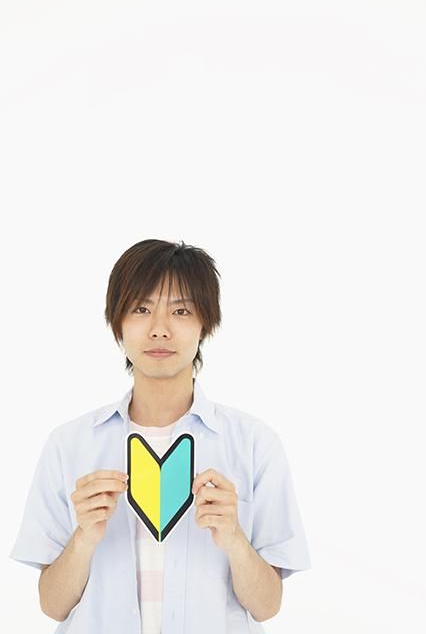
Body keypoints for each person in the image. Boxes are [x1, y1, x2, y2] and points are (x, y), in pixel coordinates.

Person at [9, 238, 312, 634]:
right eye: (141, 309)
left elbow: (268, 606)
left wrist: (234, 538)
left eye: (181, 311)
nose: (159, 330)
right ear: (117, 322)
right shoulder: (69, 445)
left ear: (205, 324)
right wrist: (83, 537)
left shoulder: (255, 444)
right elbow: (52, 605)